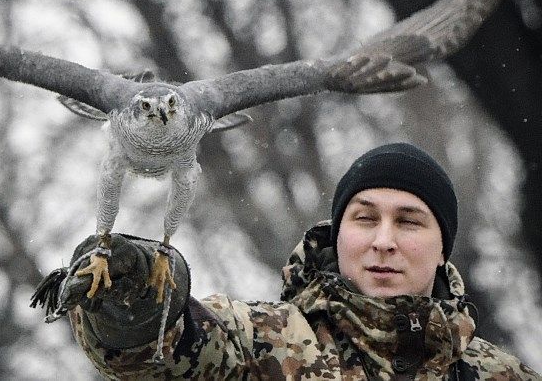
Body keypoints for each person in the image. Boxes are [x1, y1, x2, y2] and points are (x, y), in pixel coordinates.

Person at [34, 143, 540, 379]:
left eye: (408, 222)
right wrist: (139, 292)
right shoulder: (265, 342)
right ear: (338, 235)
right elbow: (168, 347)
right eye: (365, 218)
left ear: (442, 247)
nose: (384, 240)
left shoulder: (502, 374)